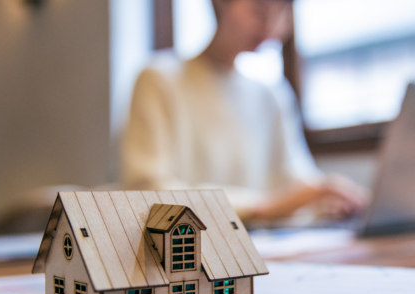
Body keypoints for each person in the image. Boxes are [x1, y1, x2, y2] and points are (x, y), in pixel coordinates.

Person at [121, 0, 367, 225]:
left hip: (274, 250)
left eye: (281, 10)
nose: (270, 24)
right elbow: (148, 189)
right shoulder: (159, 79)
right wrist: (262, 207)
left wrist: (327, 198)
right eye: (260, 8)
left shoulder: (273, 95)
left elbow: (295, 180)